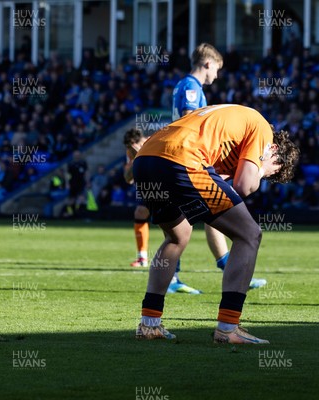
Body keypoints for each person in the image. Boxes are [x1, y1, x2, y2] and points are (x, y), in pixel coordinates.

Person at [133, 104, 299, 343]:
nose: (267, 176)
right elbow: (244, 185)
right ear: (274, 150)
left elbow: (216, 180)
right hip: (182, 159)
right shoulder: (262, 130)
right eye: (273, 172)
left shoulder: (231, 123)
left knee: (177, 236)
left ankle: (149, 323)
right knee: (250, 235)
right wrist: (259, 172)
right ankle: (228, 327)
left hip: (147, 160)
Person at [172, 43, 266, 291]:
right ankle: (176, 276)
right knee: (193, 215)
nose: (216, 75)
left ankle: (223, 265)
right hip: (187, 157)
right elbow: (188, 121)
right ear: (207, 64)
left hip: (182, 156)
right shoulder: (191, 87)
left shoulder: (185, 85)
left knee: (201, 213)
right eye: (216, 69)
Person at [123, 129, 202, 294]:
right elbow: (128, 178)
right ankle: (146, 259)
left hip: (169, 183)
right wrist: (135, 159)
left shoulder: (155, 141)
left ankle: (172, 276)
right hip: (152, 187)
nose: (131, 150)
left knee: (173, 232)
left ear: (140, 141)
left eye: (133, 147)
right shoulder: (131, 150)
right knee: (148, 217)